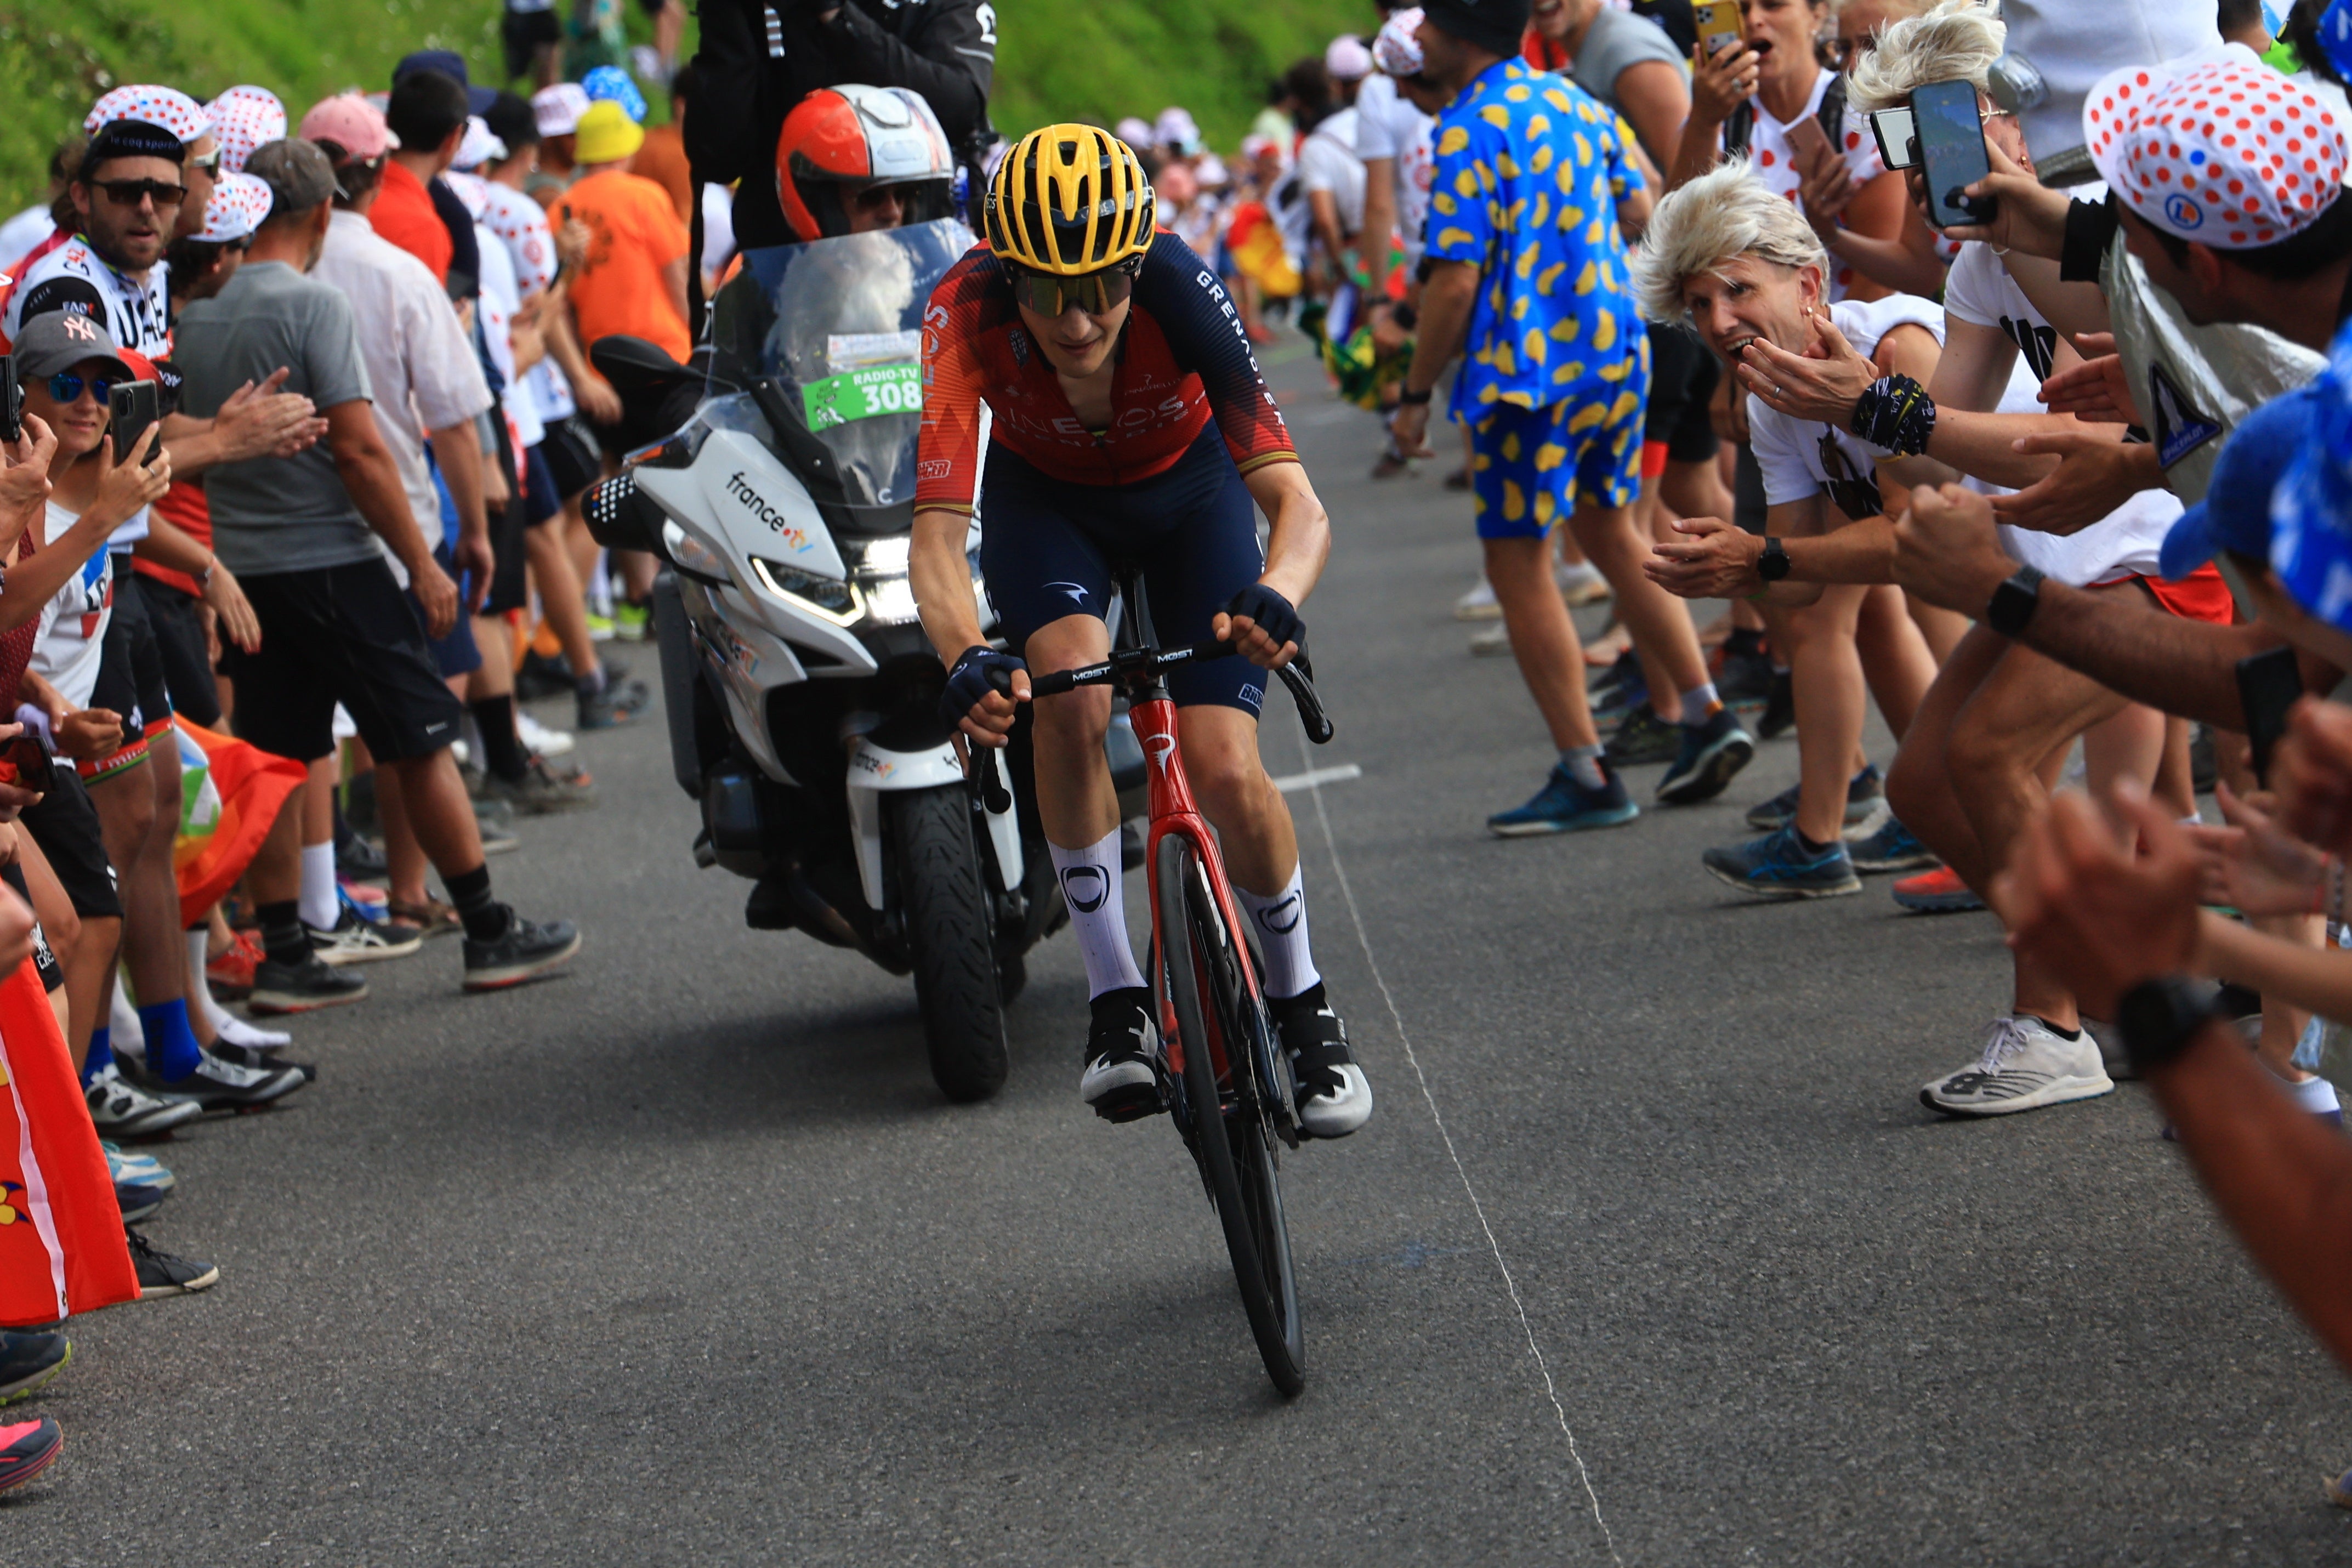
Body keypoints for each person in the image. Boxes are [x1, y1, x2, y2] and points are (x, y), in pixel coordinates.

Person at [910, 126, 1372, 1137]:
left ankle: (1303, 1004)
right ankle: (1116, 1001)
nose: (1078, 320)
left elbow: (1298, 505)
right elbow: (939, 540)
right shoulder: (963, 307)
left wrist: (1279, 594)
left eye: (1103, 289)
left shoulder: (1181, 287)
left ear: (1135, 264)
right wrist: (961, 657)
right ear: (1007, 273)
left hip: (1191, 494)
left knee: (1222, 760)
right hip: (1049, 507)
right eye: (1048, 291)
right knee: (1066, 696)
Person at [172, 137, 581, 1002]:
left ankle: (284, 949)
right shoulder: (313, 304)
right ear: (323, 212)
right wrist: (420, 567)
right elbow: (359, 452)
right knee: (420, 737)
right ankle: (486, 925)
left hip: (245, 567)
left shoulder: (192, 306)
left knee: (280, 752)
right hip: (335, 560)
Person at [1389, 0, 1755, 832]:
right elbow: (1646, 210)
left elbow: (1451, 282)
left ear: (1453, 33)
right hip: (1614, 358)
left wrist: (1413, 399)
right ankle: (1703, 710)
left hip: (1525, 380)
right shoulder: (1572, 103)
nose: (1416, 39)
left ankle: (1584, 769)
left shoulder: (1466, 130)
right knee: (1614, 533)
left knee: (1520, 568)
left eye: (1426, 25)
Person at [685, 0, 997, 249]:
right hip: (783, 267)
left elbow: (959, 107)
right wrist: (725, 15)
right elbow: (716, 157)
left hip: (908, 257)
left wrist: (836, 16)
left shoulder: (939, 9)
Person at [560, 101, 692, 368]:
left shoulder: (561, 209)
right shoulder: (646, 196)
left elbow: (562, 306)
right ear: (623, 151)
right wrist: (702, 335)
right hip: (666, 357)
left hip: (601, 364)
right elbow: (676, 274)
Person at [1301, 36, 1373, 295]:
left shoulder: (1316, 145)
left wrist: (1339, 267)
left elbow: (1325, 220)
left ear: (1334, 85)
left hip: (1360, 248)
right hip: (1404, 241)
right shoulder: (1379, 120)